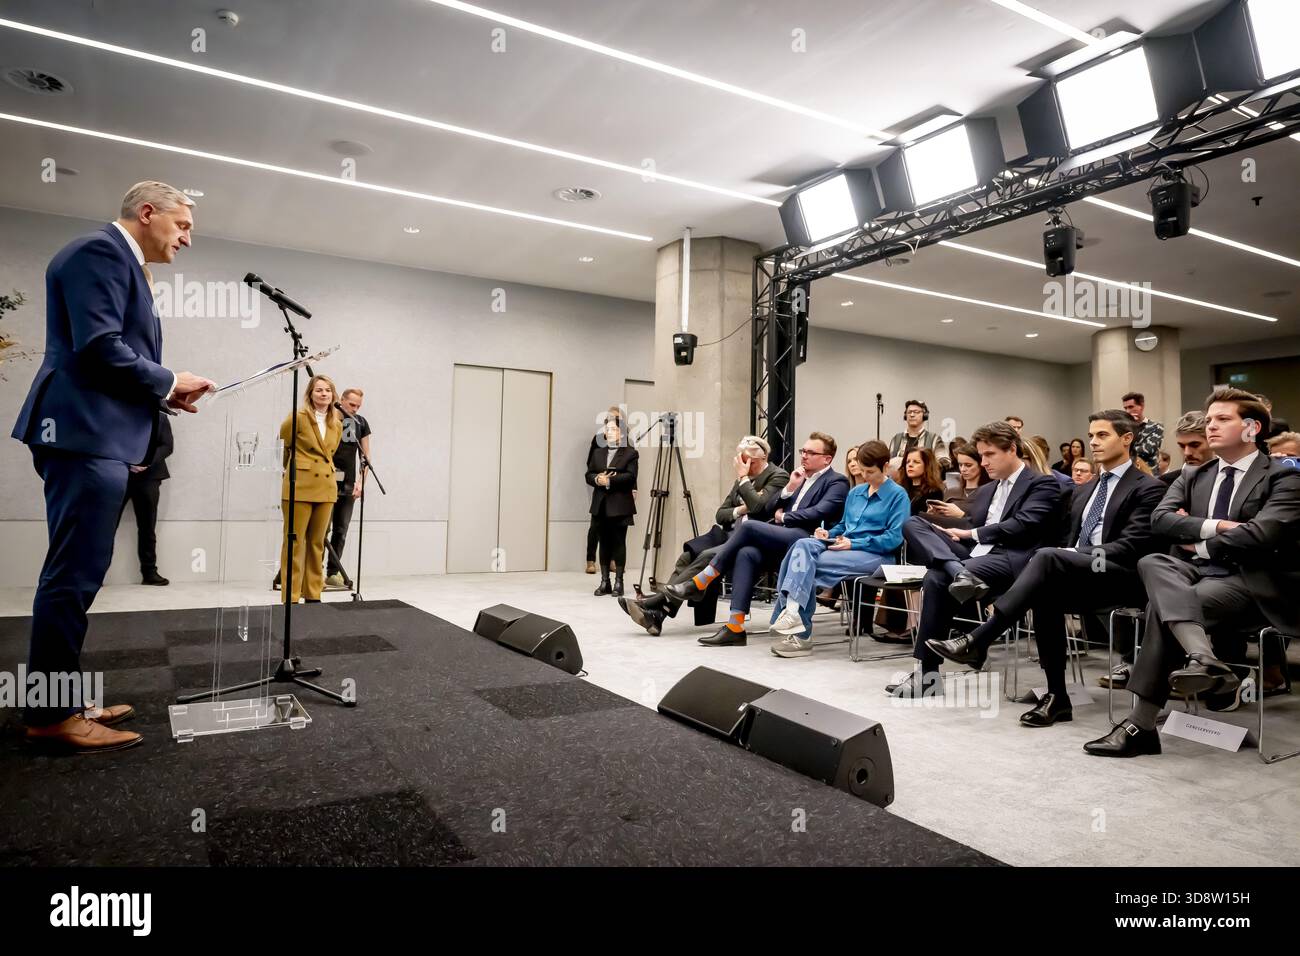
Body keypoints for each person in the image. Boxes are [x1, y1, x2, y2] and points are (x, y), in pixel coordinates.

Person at [11, 181, 215, 753]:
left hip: (97, 432)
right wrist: (169, 379)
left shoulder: (119, 263)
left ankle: (63, 699)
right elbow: (98, 346)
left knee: (80, 572)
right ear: (146, 213)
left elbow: (113, 354)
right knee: (72, 577)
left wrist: (161, 394)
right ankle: (51, 717)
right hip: (81, 432)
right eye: (182, 226)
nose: (187, 239)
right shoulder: (98, 252)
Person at [1085, 388, 1300, 757]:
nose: (1210, 426)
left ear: (1252, 428)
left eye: (1222, 419)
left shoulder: (1283, 477)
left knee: (1162, 608)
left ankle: (1143, 723)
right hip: (1193, 574)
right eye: (1209, 419)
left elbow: (1263, 535)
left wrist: (1198, 536)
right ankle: (1205, 660)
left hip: (1251, 582)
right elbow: (1161, 521)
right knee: (1153, 562)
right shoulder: (1194, 476)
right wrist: (1222, 527)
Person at [927, 410, 1166, 726]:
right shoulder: (1084, 489)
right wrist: (1064, 554)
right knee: (1044, 587)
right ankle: (1057, 697)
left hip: (1118, 573)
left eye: (1102, 435)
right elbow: (1063, 535)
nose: (1093, 441)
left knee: (1048, 560)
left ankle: (980, 639)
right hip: (1077, 571)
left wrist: (1070, 554)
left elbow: (1132, 547)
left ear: (1127, 439)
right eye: (1091, 435)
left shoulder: (1147, 487)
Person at [888, 421, 1061, 697]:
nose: (984, 462)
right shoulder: (987, 489)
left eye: (989, 454)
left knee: (935, 578)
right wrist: (954, 530)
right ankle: (957, 571)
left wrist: (970, 532)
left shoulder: (1041, 484)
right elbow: (971, 522)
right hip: (974, 555)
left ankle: (927, 674)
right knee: (914, 524)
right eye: (981, 455)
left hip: (1010, 557)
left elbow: (1023, 525)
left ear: (1012, 449)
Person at [664, 432, 848, 646]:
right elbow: (769, 508)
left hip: (808, 540)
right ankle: (734, 627)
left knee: (749, 526)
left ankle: (701, 581)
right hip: (784, 538)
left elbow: (818, 512)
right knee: (747, 553)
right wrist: (789, 489)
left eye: (811, 452)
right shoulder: (799, 478)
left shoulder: (837, 482)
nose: (804, 456)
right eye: (803, 451)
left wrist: (785, 516)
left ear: (827, 458)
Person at [618, 436, 788, 635]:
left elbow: (759, 507)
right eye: (742, 459)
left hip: (752, 539)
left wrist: (743, 481)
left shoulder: (778, 476)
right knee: (688, 555)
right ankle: (657, 615)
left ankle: (654, 603)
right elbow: (721, 514)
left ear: (763, 457)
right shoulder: (741, 480)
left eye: (750, 460)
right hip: (728, 534)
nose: (745, 465)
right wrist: (742, 508)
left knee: (708, 556)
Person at [767, 441, 909, 658]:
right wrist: (828, 534)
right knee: (802, 545)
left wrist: (854, 543)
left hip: (876, 555)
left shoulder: (898, 495)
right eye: (862, 470)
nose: (864, 475)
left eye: (870, 471)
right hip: (844, 547)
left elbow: (893, 538)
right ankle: (794, 617)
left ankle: (798, 627)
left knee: (804, 565)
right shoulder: (856, 493)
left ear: (886, 466)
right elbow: (844, 525)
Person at [279, 374, 343, 605]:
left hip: (326, 486)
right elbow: (283, 443)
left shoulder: (336, 423)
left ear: (333, 395)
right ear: (310, 394)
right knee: (295, 541)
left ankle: (313, 593)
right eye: (319, 390)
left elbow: (331, 453)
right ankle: (291, 595)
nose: (323, 394)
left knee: (317, 542)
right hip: (300, 485)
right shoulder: (298, 417)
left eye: (327, 390)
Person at [587, 412, 638, 597]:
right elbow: (589, 474)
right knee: (604, 543)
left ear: (621, 433)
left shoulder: (630, 453)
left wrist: (609, 481)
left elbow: (631, 477)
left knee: (618, 543)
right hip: (600, 504)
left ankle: (619, 583)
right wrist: (597, 479)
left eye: (613, 429)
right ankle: (604, 582)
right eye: (607, 429)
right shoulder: (598, 452)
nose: (609, 432)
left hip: (620, 505)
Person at [117, 413, 173, 585]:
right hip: (118, 474)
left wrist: (146, 462)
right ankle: (94, 573)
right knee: (105, 527)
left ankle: (149, 572)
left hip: (150, 477)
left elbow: (167, 446)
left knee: (147, 527)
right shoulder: (117, 413)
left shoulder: (160, 417)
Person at [325, 387, 371, 589]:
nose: (354, 409)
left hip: (349, 485)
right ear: (341, 400)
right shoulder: (328, 419)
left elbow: (365, 456)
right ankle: (313, 572)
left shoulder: (359, 423)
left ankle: (333, 573)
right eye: (351, 404)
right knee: (321, 530)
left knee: (340, 530)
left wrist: (361, 482)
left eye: (358, 406)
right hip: (325, 483)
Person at [585, 404, 622, 573]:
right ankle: (591, 560)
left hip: (618, 488)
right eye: (610, 419)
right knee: (596, 526)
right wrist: (599, 478)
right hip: (600, 486)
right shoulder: (599, 438)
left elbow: (632, 469)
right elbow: (590, 464)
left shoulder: (626, 441)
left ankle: (613, 560)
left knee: (615, 528)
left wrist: (633, 488)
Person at [925, 443, 991, 526]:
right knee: (914, 521)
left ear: (980, 465)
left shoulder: (989, 491)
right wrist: (934, 514)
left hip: (969, 534)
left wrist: (961, 515)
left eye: (968, 465)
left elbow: (986, 526)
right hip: (945, 530)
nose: (963, 469)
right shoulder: (951, 488)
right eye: (960, 465)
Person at [888, 400, 950, 470]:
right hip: (899, 480)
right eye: (909, 412)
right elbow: (887, 463)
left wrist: (923, 465)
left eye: (916, 412)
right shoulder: (896, 439)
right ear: (905, 416)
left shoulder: (934, 439)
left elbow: (945, 462)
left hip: (925, 480)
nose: (912, 415)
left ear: (924, 415)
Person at [1159, 410, 1215, 487]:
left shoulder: (1227, 479)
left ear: (1212, 442)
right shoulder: (1165, 483)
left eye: (1195, 445)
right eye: (1182, 446)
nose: (1187, 453)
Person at [895, 447, 945, 515]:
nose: (910, 465)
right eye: (907, 462)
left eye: (916, 462)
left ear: (927, 466)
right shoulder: (899, 489)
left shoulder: (934, 493)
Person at [1122, 391, 1165, 470]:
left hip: (1149, 473)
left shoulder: (1156, 426)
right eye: (1125, 408)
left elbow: (1146, 450)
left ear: (1141, 406)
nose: (1127, 411)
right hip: (1128, 473)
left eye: (1131, 407)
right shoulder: (1125, 428)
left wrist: (1134, 427)